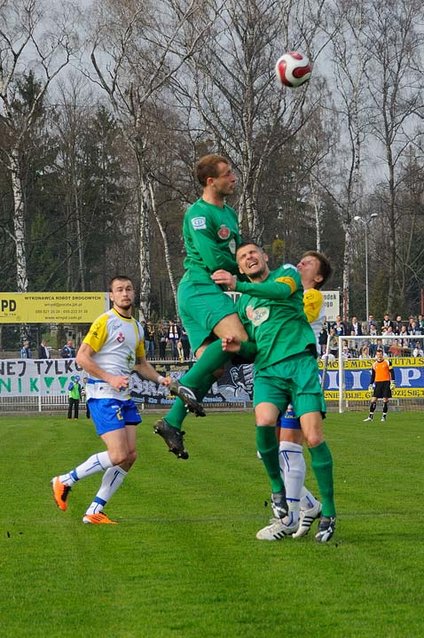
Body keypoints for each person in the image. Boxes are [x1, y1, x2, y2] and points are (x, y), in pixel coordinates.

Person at [213, 242, 336, 543]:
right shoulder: (244, 305)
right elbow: (253, 345)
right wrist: (238, 347)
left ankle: (327, 512)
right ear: (239, 266)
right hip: (268, 370)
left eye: (253, 252)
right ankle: (280, 494)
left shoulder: (287, 274)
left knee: (313, 438)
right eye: (242, 257)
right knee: (265, 422)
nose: (249, 257)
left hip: (300, 365)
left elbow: (280, 293)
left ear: (265, 257)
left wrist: (236, 284)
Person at [50, 275, 194, 525]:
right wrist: (109, 378)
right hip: (103, 394)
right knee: (117, 454)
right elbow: (82, 357)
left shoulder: (137, 327)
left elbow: (140, 364)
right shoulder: (105, 322)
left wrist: (162, 380)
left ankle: (95, 510)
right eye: (119, 290)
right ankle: (65, 480)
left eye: (128, 289)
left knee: (130, 456)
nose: (125, 293)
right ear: (112, 296)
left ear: (134, 293)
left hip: (123, 397)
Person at [153, 155, 258, 462]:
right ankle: (182, 386)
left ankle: (171, 422)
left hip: (206, 291)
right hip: (201, 287)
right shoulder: (198, 215)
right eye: (227, 174)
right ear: (211, 181)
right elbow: (214, 261)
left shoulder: (229, 212)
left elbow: (231, 253)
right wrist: (252, 275)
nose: (234, 178)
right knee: (244, 344)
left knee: (216, 367)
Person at [363, 348, 395, 423]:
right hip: (378, 383)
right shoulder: (374, 364)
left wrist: (393, 382)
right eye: (378, 355)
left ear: (382, 355)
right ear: (376, 355)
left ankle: (384, 416)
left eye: (380, 354)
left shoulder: (387, 362)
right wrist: (371, 384)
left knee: (385, 400)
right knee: (373, 400)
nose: (379, 356)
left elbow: (392, 372)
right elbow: (373, 375)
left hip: (386, 382)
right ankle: (370, 417)